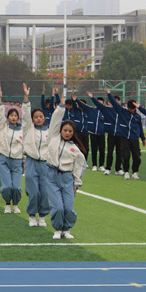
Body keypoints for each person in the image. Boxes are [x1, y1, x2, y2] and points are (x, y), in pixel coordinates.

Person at [45, 89, 87, 240]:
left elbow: (81, 166)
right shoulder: (53, 138)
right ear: (60, 131)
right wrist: (61, 106)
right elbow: (55, 121)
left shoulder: (75, 149)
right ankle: (57, 229)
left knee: (68, 208)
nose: (67, 133)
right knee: (57, 207)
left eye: (70, 131)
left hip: (67, 179)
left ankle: (66, 229)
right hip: (51, 176)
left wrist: (76, 182)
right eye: (65, 130)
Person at [22, 83, 51, 227]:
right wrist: (26, 98)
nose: (38, 119)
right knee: (34, 192)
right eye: (36, 117)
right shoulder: (28, 129)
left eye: (41, 116)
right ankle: (32, 215)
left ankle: (42, 216)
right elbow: (26, 116)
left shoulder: (49, 132)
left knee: (45, 192)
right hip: (31, 162)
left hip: (45, 164)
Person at [0, 86, 24, 214]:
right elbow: (0, 116)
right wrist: (0, 100)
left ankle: (15, 205)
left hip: (17, 160)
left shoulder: (22, 130)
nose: (13, 117)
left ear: (18, 117)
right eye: (11, 115)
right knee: (7, 186)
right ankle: (7, 204)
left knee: (16, 187)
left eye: (15, 115)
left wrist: (23, 160)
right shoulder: (3, 127)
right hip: (4, 158)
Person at [106, 88, 145, 180]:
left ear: (135, 108)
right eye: (130, 108)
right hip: (124, 138)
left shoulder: (138, 117)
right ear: (127, 107)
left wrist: (143, 138)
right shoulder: (122, 112)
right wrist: (109, 94)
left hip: (134, 139)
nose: (131, 110)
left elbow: (140, 128)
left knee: (137, 157)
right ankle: (126, 172)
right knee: (126, 156)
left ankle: (135, 172)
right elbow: (115, 104)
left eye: (133, 109)